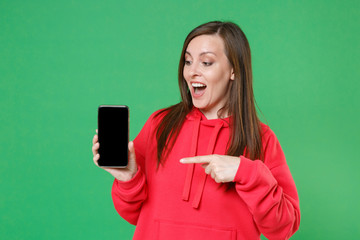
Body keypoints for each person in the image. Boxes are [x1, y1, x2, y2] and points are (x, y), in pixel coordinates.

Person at [92, 21, 300, 240]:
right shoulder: (160, 124)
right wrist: (129, 178)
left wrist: (246, 172)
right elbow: (133, 213)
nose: (192, 72)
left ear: (234, 70)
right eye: (188, 61)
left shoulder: (261, 138)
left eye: (206, 62)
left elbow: (282, 228)